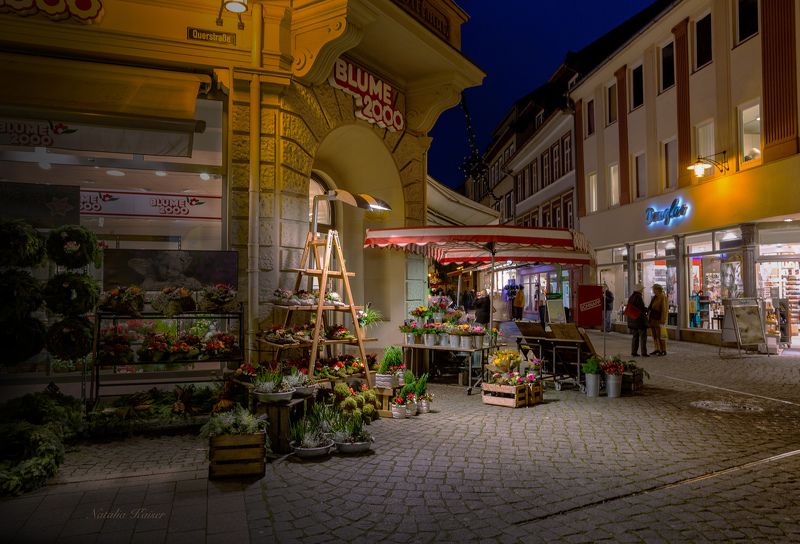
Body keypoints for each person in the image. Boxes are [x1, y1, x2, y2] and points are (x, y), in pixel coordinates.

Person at [626, 283, 649, 357]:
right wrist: (648, 310)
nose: (642, 290)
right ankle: (644, 352)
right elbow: (641, 308)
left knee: (635, 336)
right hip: (639, 320)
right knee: (643, 336)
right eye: (642, 289)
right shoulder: (638, 297)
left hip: (633, 320)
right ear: (639, 290)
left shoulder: (631, 297)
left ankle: (634, 351)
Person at [648, 284, 668, 356]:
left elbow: (664, 309)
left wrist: (663, 320)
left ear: (657, 289)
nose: (653, 290)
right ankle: (657, 348)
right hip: (653, 318)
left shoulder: (662, 297)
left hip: (659, 319)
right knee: (654, 335)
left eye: (654, 289)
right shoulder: (654, 297)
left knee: (660, 335)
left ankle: (663, 350)